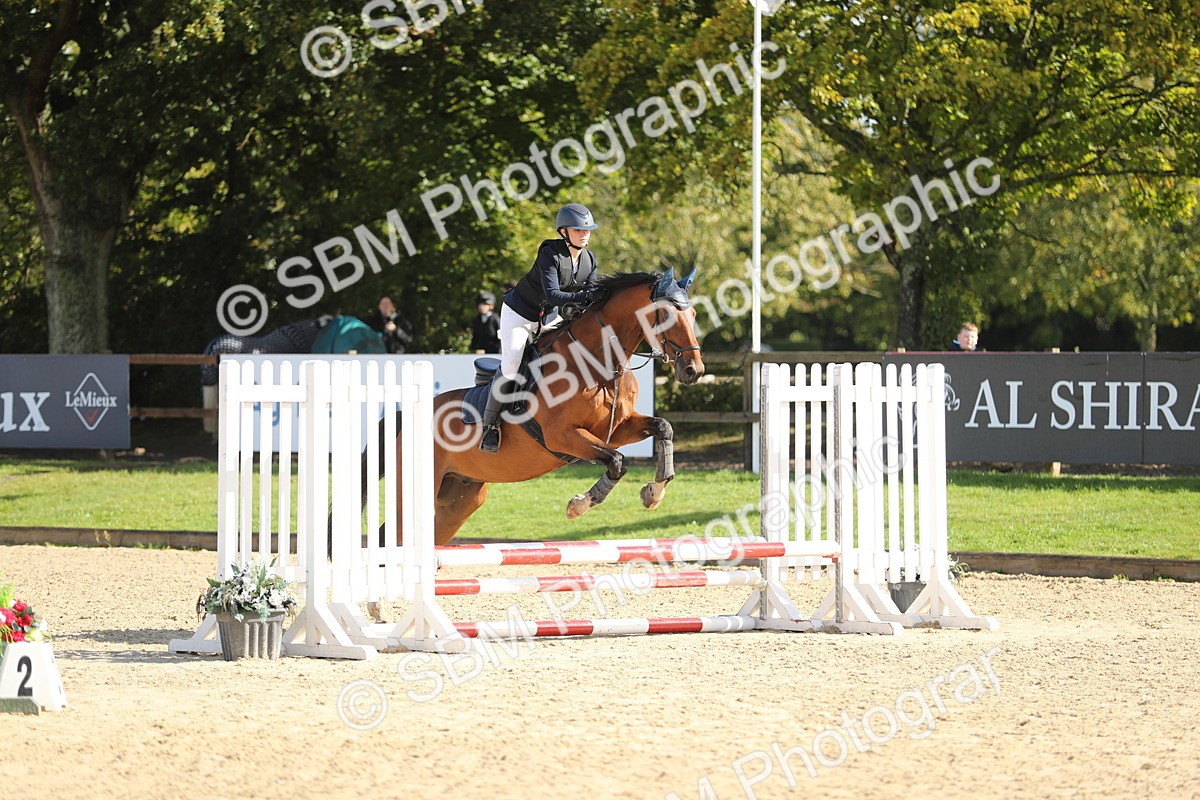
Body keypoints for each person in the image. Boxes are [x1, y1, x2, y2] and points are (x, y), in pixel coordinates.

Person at [479, 202, 602, 453]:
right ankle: (490, 427)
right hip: (520, 313)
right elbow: (555, 295)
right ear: (563, 232)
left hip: (548, 317)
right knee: (512, 364)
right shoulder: (550, 253)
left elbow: (591, 294)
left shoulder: (589, 259)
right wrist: (587, 298)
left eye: (587, 229)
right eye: (578, 230)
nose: (584, 233)